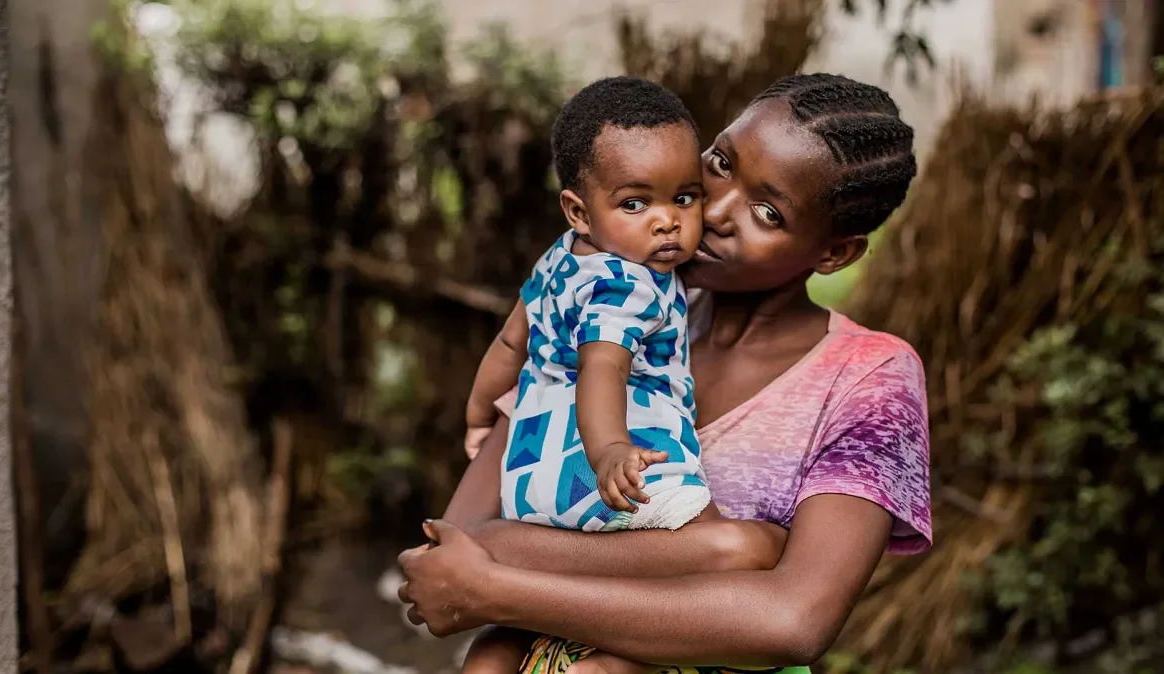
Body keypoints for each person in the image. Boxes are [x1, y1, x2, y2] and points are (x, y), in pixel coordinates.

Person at [398, 73, 931, 674]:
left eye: (767, 212)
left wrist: (500, 588)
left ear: (834, 254)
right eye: (720, 163)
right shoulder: (604, 293)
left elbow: (791, 622)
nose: (716, 212)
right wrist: (725, 552)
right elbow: (461, 539)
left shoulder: (868, 377)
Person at [463, 76, 717, 674]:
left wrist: (477, 415)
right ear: (579, 209)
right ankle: (618, 659)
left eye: (685, 198)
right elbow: (602, 366)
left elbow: (508, 343)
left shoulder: (557, 260)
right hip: (608, 472)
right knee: (728, 557)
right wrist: (610, 452)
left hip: (529, 483)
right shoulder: (629, 283)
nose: (667, 223)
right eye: (635, 203)